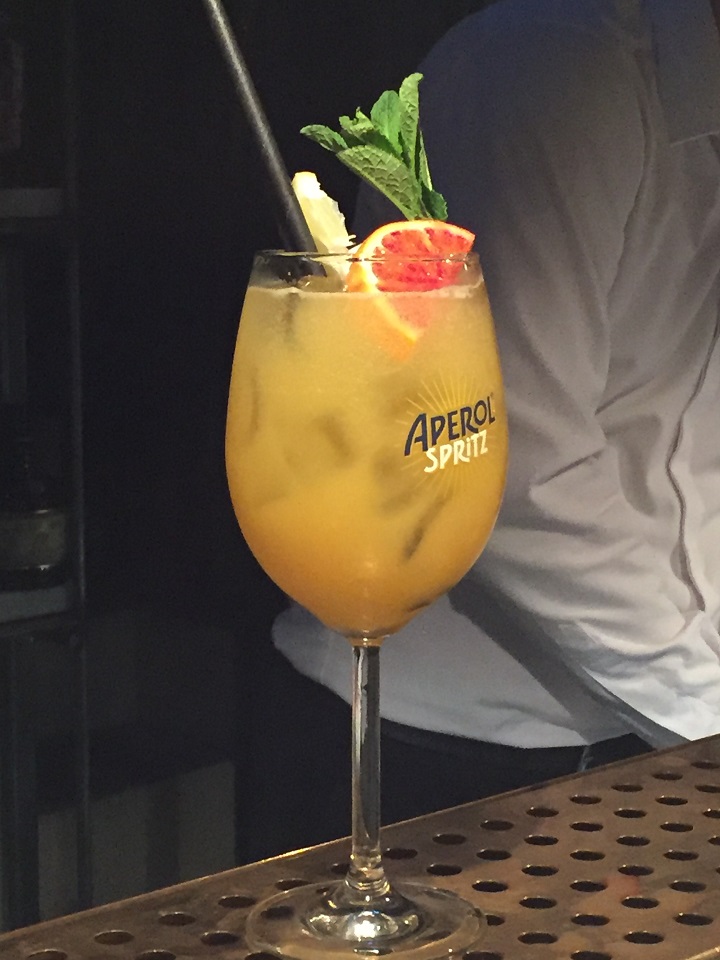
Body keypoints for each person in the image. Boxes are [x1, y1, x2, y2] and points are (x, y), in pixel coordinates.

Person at [238, 0, 720, 863]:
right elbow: (507, 455)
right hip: (441, 757)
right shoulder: (551, 68)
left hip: (647, 733)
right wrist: (704, 705)